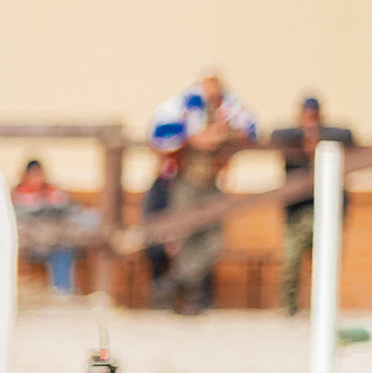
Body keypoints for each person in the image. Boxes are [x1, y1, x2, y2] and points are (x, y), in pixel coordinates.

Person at [144, 64, 257, 314]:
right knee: (184, 238)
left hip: (212, 184)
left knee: (215, 240)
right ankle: (193, 299)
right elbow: (158, 133)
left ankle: (173, 282)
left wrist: (223, 135)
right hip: (185, 182)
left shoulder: (228, 109)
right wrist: (195, 136)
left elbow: (251, 129)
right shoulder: (182, 107)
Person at [269, 97, 355, 316]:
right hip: (298, 211)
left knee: (326, 261)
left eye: (313, 117)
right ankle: (289, 308)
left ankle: (323, 309)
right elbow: (274, 135)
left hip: (328, 210)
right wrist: (305, 135)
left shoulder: (332, 138)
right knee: (291, 261)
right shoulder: (290, 139)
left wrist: (318, 136)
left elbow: (347, 135)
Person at [11, 158, 80, 295]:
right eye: (33, 174)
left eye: (39, 174)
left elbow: (66, 207)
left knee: (64, 249)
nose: (37, 179)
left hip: (52, 241)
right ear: (26, 175)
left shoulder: (50, 191)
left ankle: (62, 291)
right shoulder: (19, 193)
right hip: (29, 243)